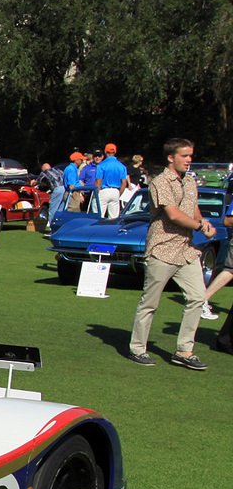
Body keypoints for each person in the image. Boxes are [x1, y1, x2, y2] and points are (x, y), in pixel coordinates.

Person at [127, 138, 215, 369]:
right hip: (162, 249)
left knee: (197, 297)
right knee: (150, 303)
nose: (189, 160)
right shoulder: (160, 182)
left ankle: (184, 351)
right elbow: (174, 215)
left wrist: (203, 222)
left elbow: (192, 208)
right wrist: (198, 227)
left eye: (190, 155)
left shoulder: (190, 181)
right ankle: (138, 348)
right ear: (171, 157)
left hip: (186, 250)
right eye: (184, 156)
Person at [95, 143, 129, 219]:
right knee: (114, 218)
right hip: (116, 191)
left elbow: (98, 182)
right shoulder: (121, 166)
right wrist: (119, 193)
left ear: (105, 151)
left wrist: (98, 192)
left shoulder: (101, 165)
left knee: (98, 217)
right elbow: (124, 183)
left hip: (104, 190)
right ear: (115, 152)